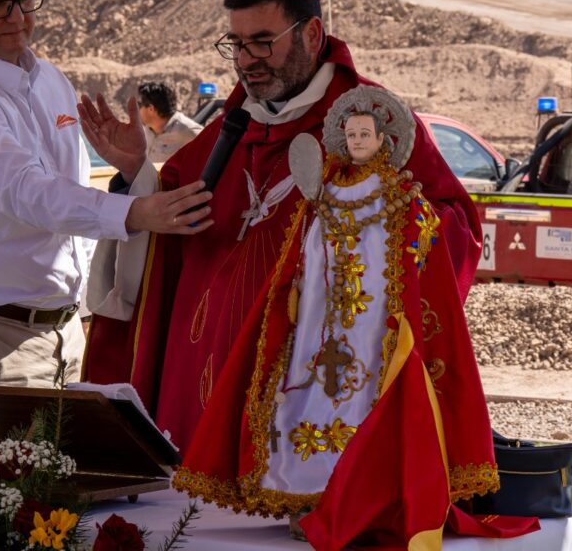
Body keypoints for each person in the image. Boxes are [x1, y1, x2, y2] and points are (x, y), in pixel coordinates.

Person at [81, 0, 482, 454]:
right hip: (199, 394)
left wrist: (375, 215)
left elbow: (456, 225)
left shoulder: (372, 123)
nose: (247, 59)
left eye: (263, 41)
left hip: (313, 387)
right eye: (237, 44)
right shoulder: (229, 129)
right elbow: (165, 221)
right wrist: (133, 174)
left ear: (312, 35)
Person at [173, 86, 537, 549]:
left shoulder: (400, 192)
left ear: (385, 140)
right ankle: (304, 494)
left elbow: (422, 244)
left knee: (365, 397)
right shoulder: (323, 188)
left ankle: (360, 495)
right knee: (305, 394)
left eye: (366, 133)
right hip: (318, 317)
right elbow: (303, 248)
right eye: (351, 133)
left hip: (372, 318)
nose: (358, 141)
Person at [0, 0, 213, 388]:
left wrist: (132, 170)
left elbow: (64, 208)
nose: (17, 16)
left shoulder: (50, 79)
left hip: (64, 332)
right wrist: (136, 213)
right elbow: (27, 193)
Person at [136, 81, 202, 163]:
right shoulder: (145, 132)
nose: (137, 110)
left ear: (151, 108)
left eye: (139, 105)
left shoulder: (190, 132)